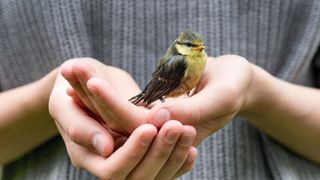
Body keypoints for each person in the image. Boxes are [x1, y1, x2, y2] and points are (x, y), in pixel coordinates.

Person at [1, 0, 320, 179]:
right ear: (182, 48)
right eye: (192, 46)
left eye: (201, 46)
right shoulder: (178, 62)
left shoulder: (199, 60)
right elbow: (162, 84)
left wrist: (255, 93)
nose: (199, 49)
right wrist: (59, 100)